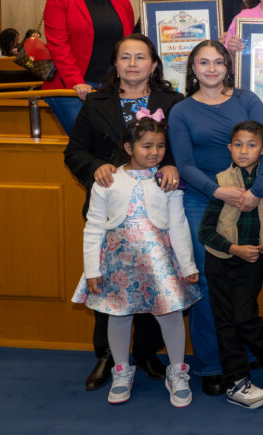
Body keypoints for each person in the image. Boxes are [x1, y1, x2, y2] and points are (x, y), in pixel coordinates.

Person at [64, 34, 184, 391]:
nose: (132, 64)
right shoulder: (96, 102)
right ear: (115, 64)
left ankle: (148, 352)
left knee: (155, 281)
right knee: (108, 284)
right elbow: (74, 152)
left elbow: (180, 148)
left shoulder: (173, 102)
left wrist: (174, 166)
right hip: (113, 210)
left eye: (140, 57)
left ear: (154, 63)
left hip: (157, 211)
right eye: (125, 57)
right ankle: (109, 357)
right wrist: (96, 166)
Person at [168, 40, 263, 396]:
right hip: (204, 201)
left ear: (229, 66)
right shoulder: (182, 111)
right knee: (209, 285)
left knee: (243, 282)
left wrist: (256, 192)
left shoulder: (247, 100)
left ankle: (242, 356)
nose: (211, 69)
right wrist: (218, 192)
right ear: (192, 68)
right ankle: (213, 363)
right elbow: (184, 164)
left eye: (218, 62)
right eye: (203, 62)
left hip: (250, 198)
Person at [70, 116, 201, 407]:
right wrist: (92, 268)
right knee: (118, 314)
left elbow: (178, 225)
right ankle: (120, 370)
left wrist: (188, 265)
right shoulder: (108, 179)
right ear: (129, 147)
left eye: (160, 146)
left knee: (170, 314)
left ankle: (177, 371)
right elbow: (93, 226)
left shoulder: (169, 181)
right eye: (146, 146)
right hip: (118, 262)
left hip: (159, 261)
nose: (154, 152)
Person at [198, 120, 263, 409]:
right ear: (229, 148)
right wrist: (232, 248)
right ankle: (236, 381)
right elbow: (205, 232)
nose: (244, 151)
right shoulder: (220, 182)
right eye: (238, 145)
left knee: (244, 317)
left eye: (251, 145)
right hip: (218, 261)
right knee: (225, 323)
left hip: (252, 262)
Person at [43, 0, 134, 134]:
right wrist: (76, 81)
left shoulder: (122, 1)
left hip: (112, 87)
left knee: (120, 141)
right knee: (89, 143)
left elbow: (129, 44)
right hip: (72, 89)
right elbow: (58, 46)